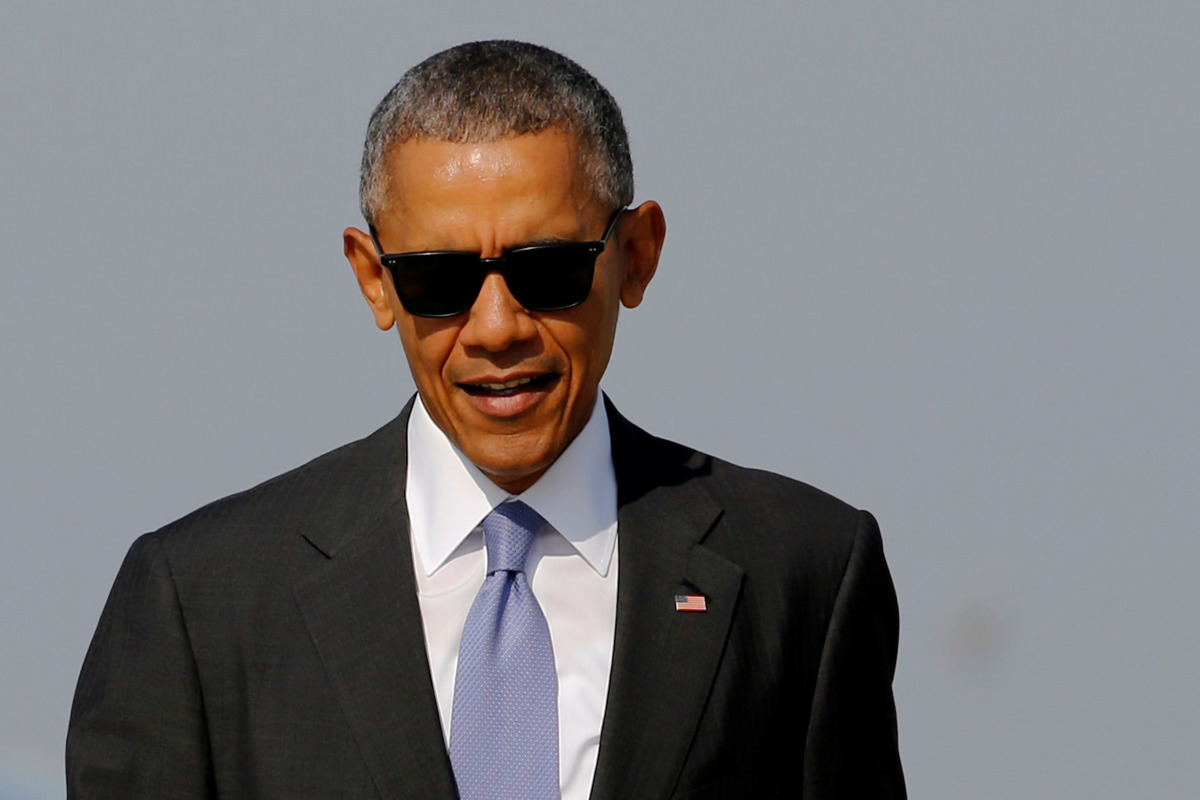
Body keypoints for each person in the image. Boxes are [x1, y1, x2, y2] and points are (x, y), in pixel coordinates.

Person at [67, 40, 905, 799]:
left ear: (636, 255)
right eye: (439, 279)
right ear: (374, 280)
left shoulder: (803, 572)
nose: (497, 326)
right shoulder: (201, 599)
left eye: (546, 270)